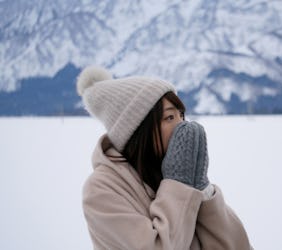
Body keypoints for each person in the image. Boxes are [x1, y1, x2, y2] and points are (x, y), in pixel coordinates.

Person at [77, 66, 254, 250]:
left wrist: (203, 190)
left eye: (181, 115)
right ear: (138, 130)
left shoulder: (168, 169)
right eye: (170, 117)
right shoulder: (101, 190)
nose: (182, 126)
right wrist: (179, 185)